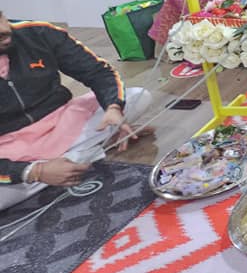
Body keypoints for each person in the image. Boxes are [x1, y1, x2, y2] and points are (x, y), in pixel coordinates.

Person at [0, 11, 151, 211]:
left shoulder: (38, 32)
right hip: (10, 147)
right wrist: (34, 171)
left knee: (138, 97)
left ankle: (64, 165)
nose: (5, 30)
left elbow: (98, 71)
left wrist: (113, 107)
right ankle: (86, 153)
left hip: (63, 123)